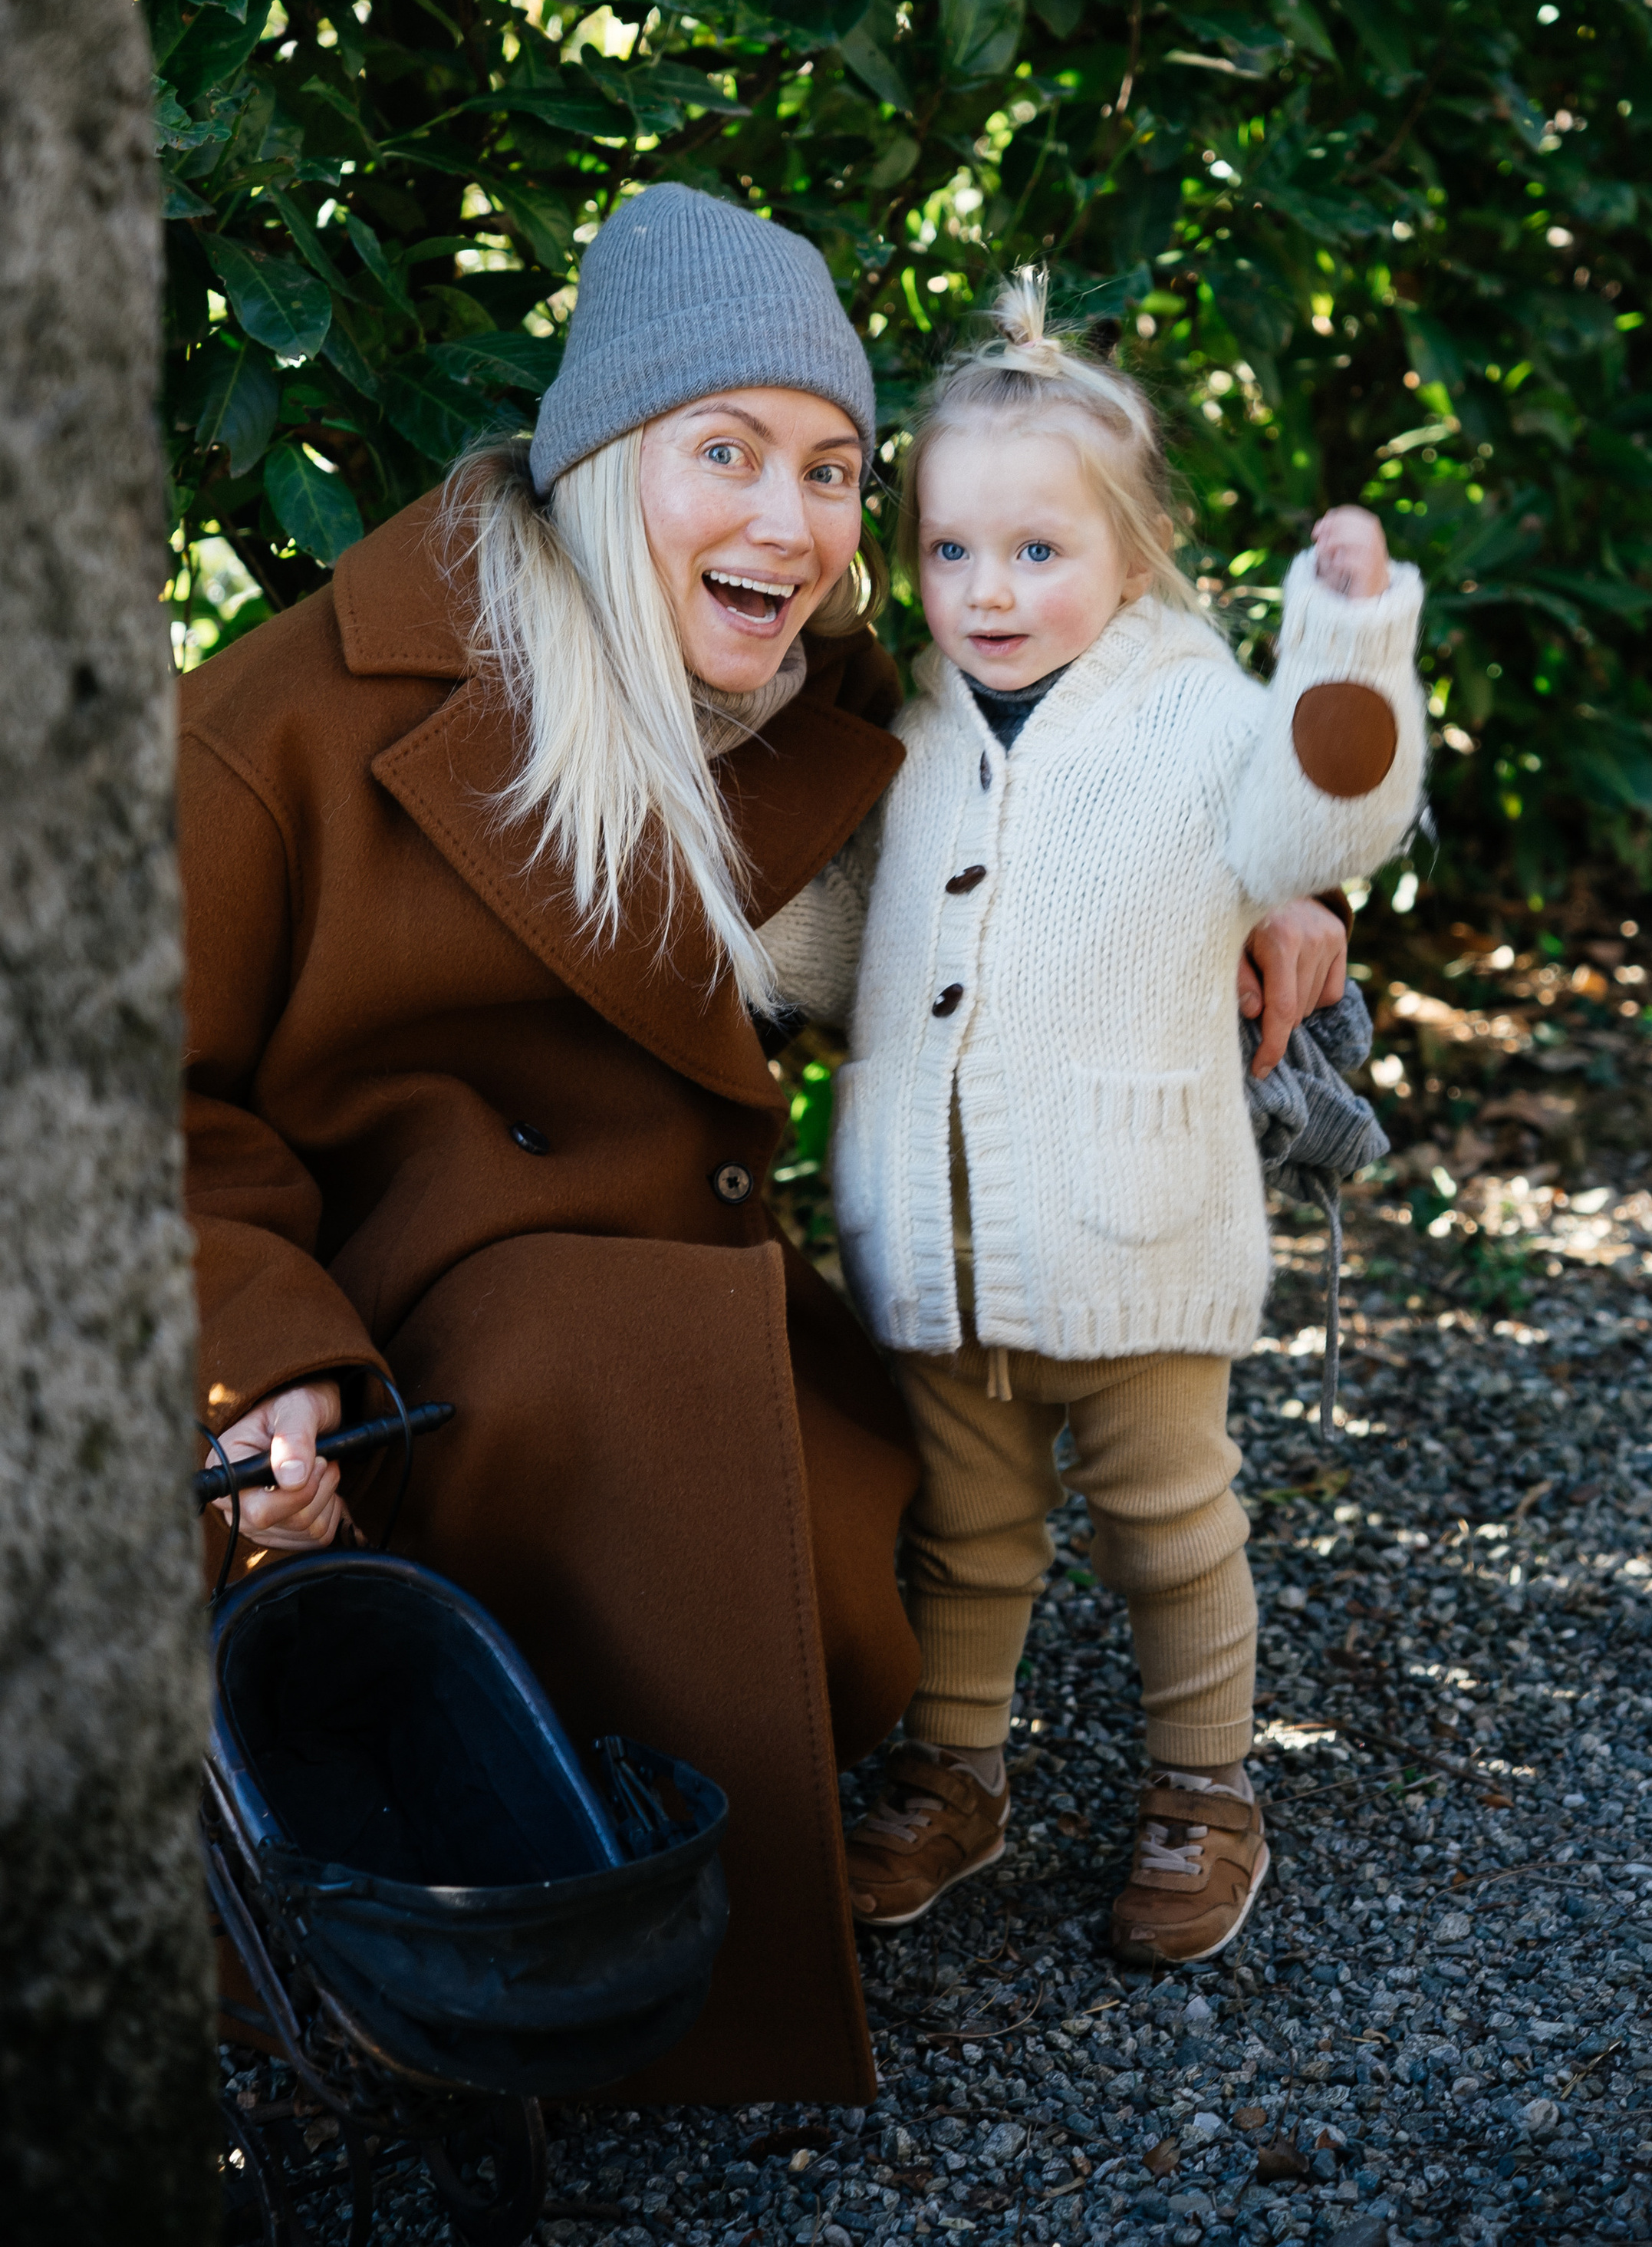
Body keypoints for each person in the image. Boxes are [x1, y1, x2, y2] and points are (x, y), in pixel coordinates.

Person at [183, 186, 1342, 2100]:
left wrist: (1265, 900)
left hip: (712, 1332)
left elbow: (1074, 834)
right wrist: (260, 1367)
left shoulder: (830, 722)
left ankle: (650, 1878)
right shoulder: (293, 718)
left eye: (830, 468)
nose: (790, 525)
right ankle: (483, 1948)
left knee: (828, 1563)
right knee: (583, 1432)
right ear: (599, 458)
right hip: (386, 1359)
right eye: (725, 453)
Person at [828, 281, 1427, 1965]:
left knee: (1169, 1520)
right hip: (936, 1221)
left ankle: (1202, 1788)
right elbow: (843, 937)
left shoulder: (1190, 713)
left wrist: (1344, 643)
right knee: (962, 1529)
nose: (989, 591)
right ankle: (955, 1773)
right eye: (951, 553)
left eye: (1036, 552)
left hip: (1131, 1211)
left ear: (1136, 546)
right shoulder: (903, 731)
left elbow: (1329, 807)